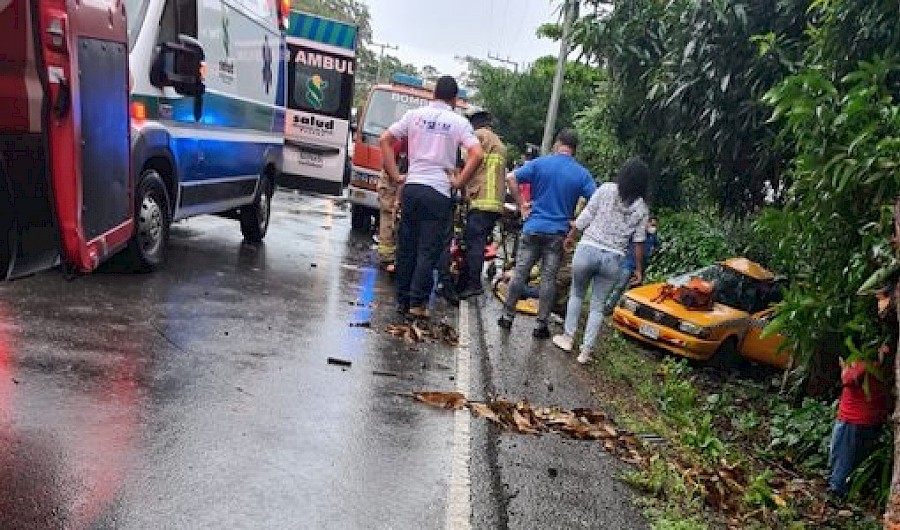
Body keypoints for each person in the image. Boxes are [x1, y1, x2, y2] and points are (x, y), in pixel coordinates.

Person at [380, 76, 483, 318]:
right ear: (455, 99)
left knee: (407, 246)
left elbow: (385, 139)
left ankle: (402, 300)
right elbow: (477, 154)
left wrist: (396, 176)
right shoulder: (458, 122)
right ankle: (417, 303)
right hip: (438, 191)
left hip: (413, 188)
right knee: (428, 249)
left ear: (433, 94)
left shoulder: (413, 116)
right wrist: (459, 181)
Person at [498, 129, 596, 339]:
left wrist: (522, 205)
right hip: (557, 234)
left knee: (521, 272)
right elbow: (595, 202)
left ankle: (507, 317)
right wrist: (577, 223)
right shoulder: (581, 173)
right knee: (548, 280)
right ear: (575, 149)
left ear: (557, 144)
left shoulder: (540, 163)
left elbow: (510, 177)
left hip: (533, 227)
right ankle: (540, 325)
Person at [552, 158, 651, 364]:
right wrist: (639, 269)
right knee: (597, 306)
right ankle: (585, 352)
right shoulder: (642, 208)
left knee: (577, 295)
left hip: (588, 248)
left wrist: (571, 235)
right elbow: (639, 241)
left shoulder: (606, 189)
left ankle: (568, 338)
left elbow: (586, 215)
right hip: (614, 258)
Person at [827, 346, 890, 498]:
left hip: (853, 419)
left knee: (843, 457)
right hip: (870, 420)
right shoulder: (884, 367)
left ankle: (838, 490)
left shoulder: (865, 364)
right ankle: (848, 490)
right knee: (855, 458)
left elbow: (847, 378)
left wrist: (845, 366)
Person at [457, 109, 507, 300]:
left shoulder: (477, 137)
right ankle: (471, 279)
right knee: (480, 241)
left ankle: (473, 284)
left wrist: (459, 185)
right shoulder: (499, 142)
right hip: (495, 203)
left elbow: (462, 162)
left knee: (474, 243)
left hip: (480, 199)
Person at [604, 215, 660, 314]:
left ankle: (627, 311)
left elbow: (657, 246)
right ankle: (609, 307)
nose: (653, 228)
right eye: (651, 225)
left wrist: (652, 252)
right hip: (628, 264)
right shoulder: (636, 234)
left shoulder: (653, 237)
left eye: (655, 226)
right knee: (620, 286)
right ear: (646, 224)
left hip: (642, 267)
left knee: (635, 291)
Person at [376, 137, 408, 273]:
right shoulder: (401, 142)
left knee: (396, 217)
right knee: (389, 216)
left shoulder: (408, 139)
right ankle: (387, 258)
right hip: (391, 180)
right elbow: (391, 166)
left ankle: (393, 255)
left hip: (398, 178)